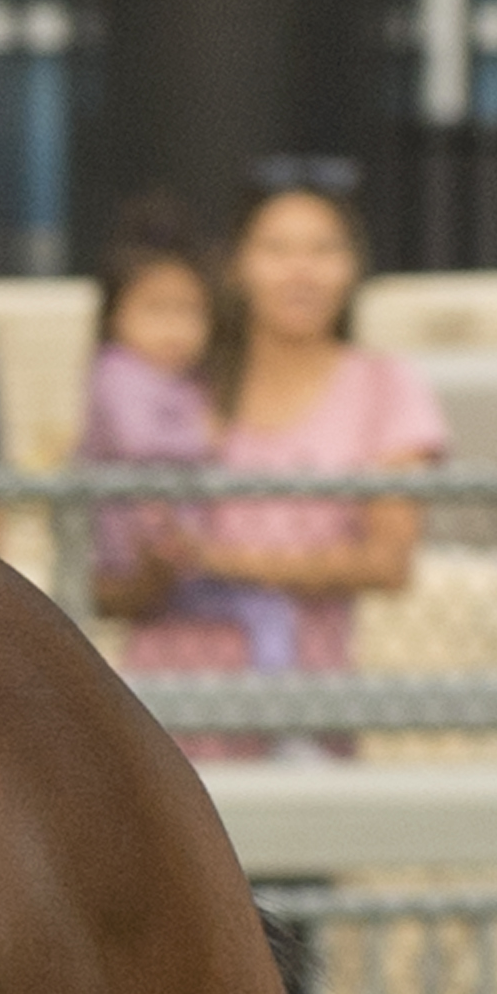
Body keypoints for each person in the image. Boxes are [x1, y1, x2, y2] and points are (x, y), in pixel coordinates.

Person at [100, 182, 442, 699]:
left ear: (354, 268)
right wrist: (153, 565)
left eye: (323, 249)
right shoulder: (180, 385)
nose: (300, 271)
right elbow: (107, 581)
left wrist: (215, 558)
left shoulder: (384, 385)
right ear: (236, 267)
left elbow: (388, 561)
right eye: (276, 250)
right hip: (170, 701)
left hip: (302, 707)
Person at [80, 225, 297, 674]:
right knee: (263, 609)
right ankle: (285, 720)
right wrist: (203, 438)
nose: (175, 329)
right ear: (115, 316)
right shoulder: (117, 372)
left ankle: (281, 715)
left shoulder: (184, 382)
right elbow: (139, 441)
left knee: (268, 610)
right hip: (132, 554)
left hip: (182, 553)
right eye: (156, 310)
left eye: (189, 312)